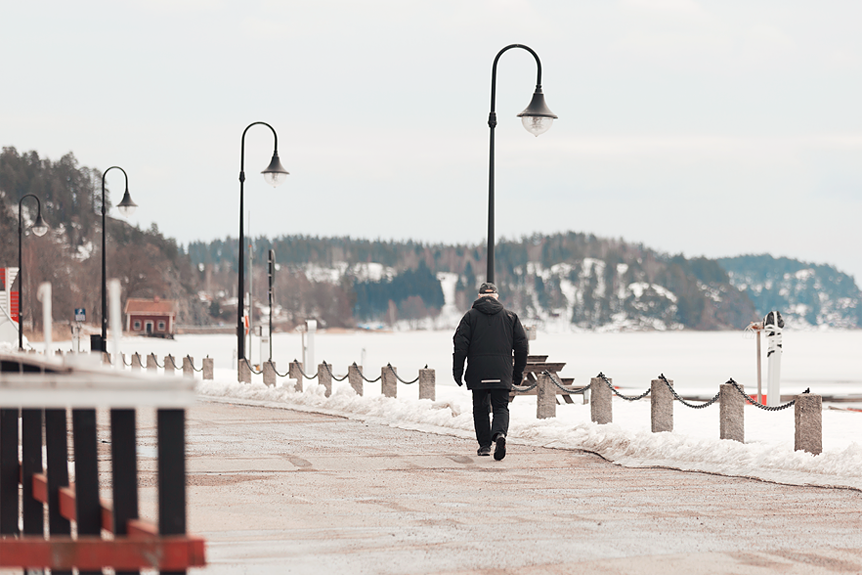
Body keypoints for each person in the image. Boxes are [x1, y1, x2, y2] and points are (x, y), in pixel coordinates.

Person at [452, 282, 528, 460]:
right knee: (501, 407)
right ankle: (500, 434)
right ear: (497, 297)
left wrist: (457, 371)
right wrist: (517, 373)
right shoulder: (510, 317)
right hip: (502, 371)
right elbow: (522, 347)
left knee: (480, 409)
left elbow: (460, 346)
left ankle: (485, 445)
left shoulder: (469, 317)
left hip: (478, 372)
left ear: (479, 297)